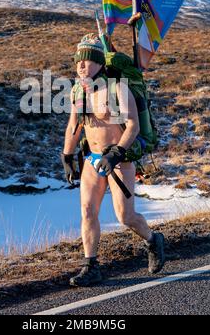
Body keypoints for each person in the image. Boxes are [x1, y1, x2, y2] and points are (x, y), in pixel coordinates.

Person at [61, 33, 165, 287]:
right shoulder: (78, 90)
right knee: (87, 212)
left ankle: (153, 240)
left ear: (98, 62)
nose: (81, 65)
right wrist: (67, 156)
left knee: (125, 217)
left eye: (86, 60)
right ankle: (91, 266)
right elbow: (73, 125)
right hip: (92, 160)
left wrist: (116, 152)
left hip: (118, 160)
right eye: (78, 61)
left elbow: (133, 126)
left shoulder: (118, 87)